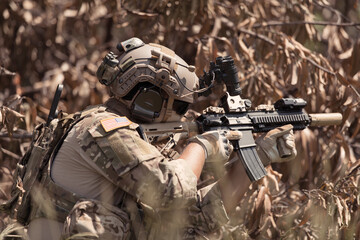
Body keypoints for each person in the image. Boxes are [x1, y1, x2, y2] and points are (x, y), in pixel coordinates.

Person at [27, 38, 296, 240]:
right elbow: (173, 191)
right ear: (149, 100)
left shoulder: (118, 136)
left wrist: (259, 155)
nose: (183, 116)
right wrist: (203, 145)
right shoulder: (104, 130)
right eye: (180, 106)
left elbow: (196, 218)